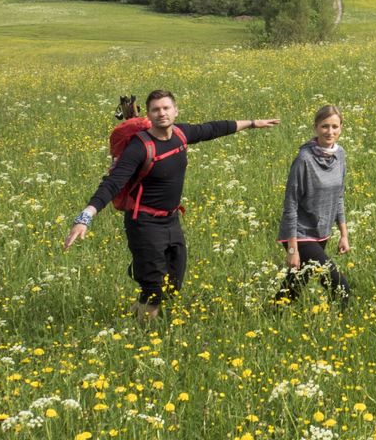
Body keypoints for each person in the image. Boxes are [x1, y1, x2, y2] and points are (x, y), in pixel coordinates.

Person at [64, 89, 279, 320]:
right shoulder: (139, 147)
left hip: (171, 219)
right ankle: (146, 338)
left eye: (166, 108)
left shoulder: (181, 133)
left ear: (175, 111)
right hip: (144, 224)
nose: (162, 113)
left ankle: (134, 314)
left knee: (173, 283)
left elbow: (214, 128)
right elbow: (113, 183)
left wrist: (253, 123)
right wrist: (86, 216)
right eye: (156, 110)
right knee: (154, 289)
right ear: (149, 114)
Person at [274, 104, 350, 306]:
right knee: (339, 285)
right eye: (325, 126)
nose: (330, 132)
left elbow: (339, 196)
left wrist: (343, 234)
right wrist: (293, 249)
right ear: (315, 128)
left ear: (341, 128)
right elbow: (290, 204)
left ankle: (272, 314)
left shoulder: (340, 155)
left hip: (321, 233)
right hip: (299, 235)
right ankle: (342, 326)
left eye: (334, 126)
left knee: (294, 285)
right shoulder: (304, 159)